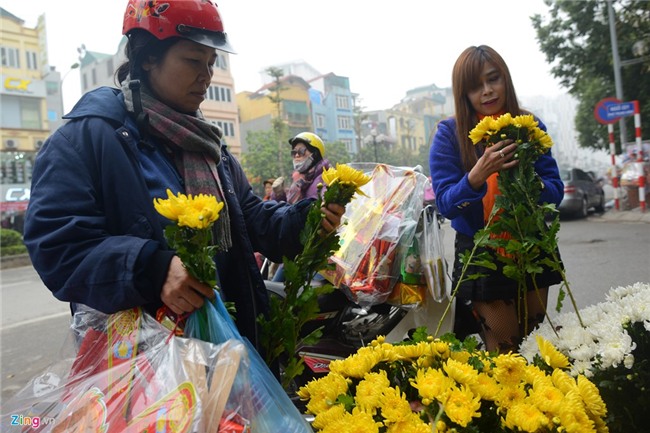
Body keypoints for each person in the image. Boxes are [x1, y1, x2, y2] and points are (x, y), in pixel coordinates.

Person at [23, 0, 344, 352]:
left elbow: (252, 220)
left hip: (226, 355)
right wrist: (153, 268)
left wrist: (307, 218)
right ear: (147, 57)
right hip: (143, 369)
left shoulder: (209, 147)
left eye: (211, 63)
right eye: (193, 61)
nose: (206, 75)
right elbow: (58, 246)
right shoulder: (87, 139)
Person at [428, 45, 564, 353]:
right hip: (482, 251)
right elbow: (446, 204)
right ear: (464, 93)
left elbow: (556, 190)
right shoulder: (450, 133)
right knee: (504, 346)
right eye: (476, 86)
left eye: (494, 79)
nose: (487, 91)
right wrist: (476, 176)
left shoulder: (529, 126)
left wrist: (529, 182)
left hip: (531, 246)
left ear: (506, 80)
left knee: (533, 344)